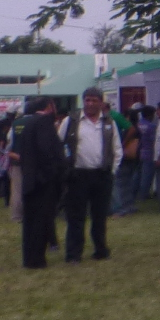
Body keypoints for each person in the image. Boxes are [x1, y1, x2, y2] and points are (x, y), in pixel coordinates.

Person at [62, 88, 119, 264]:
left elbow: (117, 149)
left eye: (94, 100)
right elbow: (60, 144)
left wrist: (111, 171)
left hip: (101, 175)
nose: (90, 104)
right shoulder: (71, 121)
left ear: (101, 103)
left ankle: (101, 250)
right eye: (87, 100)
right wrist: (66, 168)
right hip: (78, 175)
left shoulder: (109, 122)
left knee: (99, 216)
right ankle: (73, 254)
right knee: (76, 217)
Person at [15, 97, 65, 269]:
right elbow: (46, 151)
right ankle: (37, 259)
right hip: (42, 181)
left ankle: (29, 258)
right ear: (49, 107)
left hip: (30, 179)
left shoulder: (28, 124)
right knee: (41, 220)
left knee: (30, 222)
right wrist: (54, 171)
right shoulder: (44, 122)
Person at [136, 106, 158, 202]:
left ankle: (136, 193)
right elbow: (154, 140)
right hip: (149, 152)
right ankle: (144, 194)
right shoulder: (152, 126)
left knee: (138, 174)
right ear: (150, 115)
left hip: (139, 151)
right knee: (147, 175)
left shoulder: (139, 124)